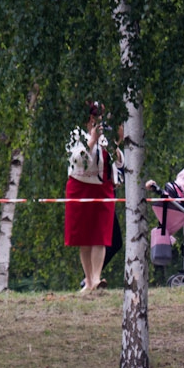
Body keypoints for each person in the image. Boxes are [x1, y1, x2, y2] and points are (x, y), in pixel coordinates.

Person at [64, 100, 123, 295]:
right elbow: (76, 161)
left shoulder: (107, 136)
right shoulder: (76, 135)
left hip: (103, 189)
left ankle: (97, 279)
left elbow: (115, 162)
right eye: (99, 116)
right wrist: (91, 140)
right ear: (91, 117)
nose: (102, 120)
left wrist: (118, 147)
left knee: (101, 235)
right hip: (80, 187)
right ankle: (88, 281)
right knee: (84, 237)